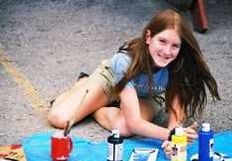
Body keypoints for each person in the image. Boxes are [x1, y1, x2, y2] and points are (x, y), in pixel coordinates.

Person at [47, 9, 220, 150]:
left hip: (147, 95)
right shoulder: (125, 60)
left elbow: (174, 120)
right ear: (148, 37)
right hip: (112, 82)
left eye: (175, 45)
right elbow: (142, 123)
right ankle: (83, 85)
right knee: (59, 119)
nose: (167, 51)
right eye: (162, 41)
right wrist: (171, 135)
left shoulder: (179, 64)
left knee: (123, 128)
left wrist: (173, 140)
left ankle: (93, 107)